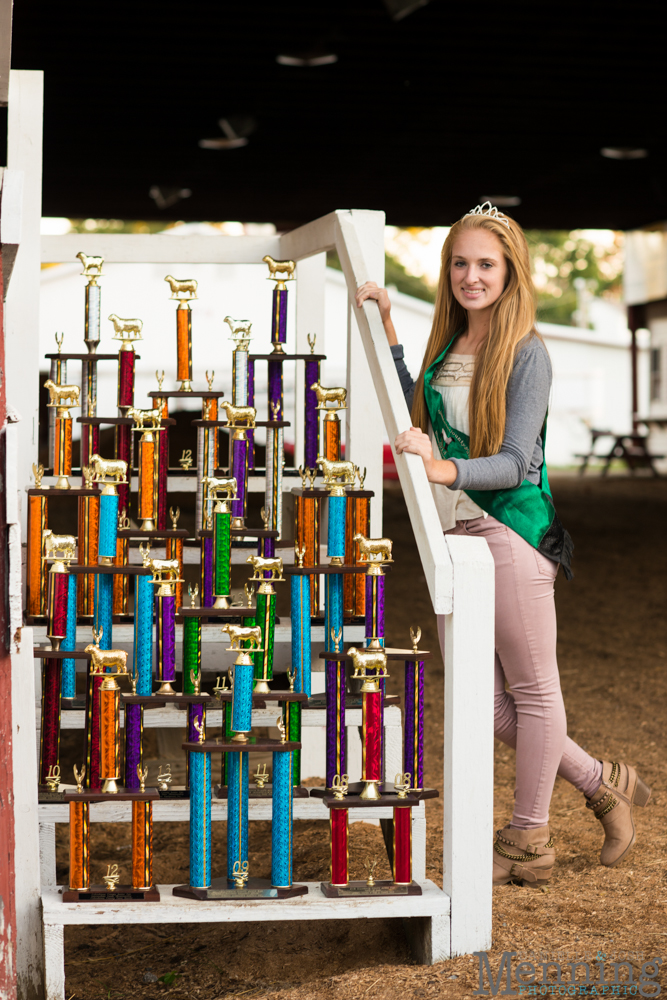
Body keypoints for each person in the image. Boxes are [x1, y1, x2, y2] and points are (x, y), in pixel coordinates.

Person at [355, 203, 651, 887]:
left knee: (534, 693)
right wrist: (390, 333)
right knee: (485, 703)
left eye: (485, 263)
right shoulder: (448, 345)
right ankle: (600, 784)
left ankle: (528, 839)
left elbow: (516, 461)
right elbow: (418, 413)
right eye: (459, 262)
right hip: (459, 532)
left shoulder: (527, 353)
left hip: (513, 531)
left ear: (510, 270)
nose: (470, 275)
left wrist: (440, 469)